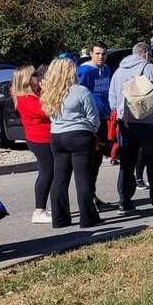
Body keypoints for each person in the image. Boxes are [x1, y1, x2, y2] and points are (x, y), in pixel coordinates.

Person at [108, 42, 153, 213]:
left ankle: (124, 202)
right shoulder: (150, 68)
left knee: (127, 163)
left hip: (126, 123)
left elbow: (112, 101)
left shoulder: (118, 71)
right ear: (146, 55)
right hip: (148, 121)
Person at [39, 57, 101, 229]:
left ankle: (59, 219)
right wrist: (92, 132)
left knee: (59, 178)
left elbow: (49, 115)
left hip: (57, 136)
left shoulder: (49, 93)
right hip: (79, 134)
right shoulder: (81, 91)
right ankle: (87, 218)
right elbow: (93, 117)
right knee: (83, 177)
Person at [12, 65, 53, 224]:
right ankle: (39, 210)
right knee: (46, 173)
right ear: (26, 80)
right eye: (35, 74)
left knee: (50, 173)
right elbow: (47, 111)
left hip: (45, 137)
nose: (38, 76)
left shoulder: (35, 95)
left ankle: (43, 208)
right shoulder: (25, 99)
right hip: (40, 139)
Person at [77, 42, 114, 211]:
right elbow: (79, 93)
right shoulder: (84, 71)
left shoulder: (106, 69)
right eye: (98, 53)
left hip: (105, 118)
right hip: (91, 120)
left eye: (103, 53)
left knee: (98, 160)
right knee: (90, 161)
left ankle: (93, 195)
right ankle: (88, 199)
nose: (101, 56)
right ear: (91, 54)